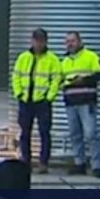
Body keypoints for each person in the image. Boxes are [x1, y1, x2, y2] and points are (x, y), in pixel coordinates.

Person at [12, 28, 62, 174]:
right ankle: (25, 161)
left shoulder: (52, 59)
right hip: (26, 100)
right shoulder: (23, 58)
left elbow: (56, 78)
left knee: (44, 132)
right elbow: (16, 76)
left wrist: (49, 97)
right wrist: (19, 93)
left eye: (41, 41)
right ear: (32, 41)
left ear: (45, 42)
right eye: (36, 41)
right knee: (24, 132)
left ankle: (43, 162)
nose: (38, 44)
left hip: (42, 102)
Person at [61, 31, 100, 178]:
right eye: (67, 41)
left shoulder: (91, 56)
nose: (70, 44)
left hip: (86, 102)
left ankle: (96, 166)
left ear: (80, 42)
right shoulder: (64, 61)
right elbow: (59, 80)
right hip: (71, 103)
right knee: (75, 135)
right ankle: (79, 163)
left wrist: (83, 80)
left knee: (91, 134)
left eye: (72, 41)